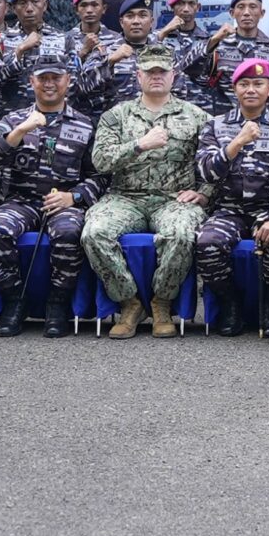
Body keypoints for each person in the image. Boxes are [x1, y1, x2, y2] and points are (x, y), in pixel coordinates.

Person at [84, 45, 212, 338]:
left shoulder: (196, 116)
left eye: (162, 71)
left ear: (173, 76)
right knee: (94, 232)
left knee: (181, 233)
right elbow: (100, 161)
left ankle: (161, 302)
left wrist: (205, 192)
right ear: (138, 76)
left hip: (173, 198)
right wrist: (139, 145)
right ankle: (129, 302)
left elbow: (213, 161)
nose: (156, 76)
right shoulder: (116, 115)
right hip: (125, 197)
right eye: (150, 71)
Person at [0, 55, 98, 338]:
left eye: (56, 78)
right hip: (21, 201)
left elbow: (101, 176)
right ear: (31, 82)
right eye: (43, 78)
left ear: (68, 81)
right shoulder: (12, 121)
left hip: (63, 202)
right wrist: (20, 131)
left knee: (69, 232)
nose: (49, 84)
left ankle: (57, 303)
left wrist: (74, 197)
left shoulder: (86, 125)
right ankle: (13, 301)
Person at [192, 57, 269, 339]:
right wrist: (236, 142)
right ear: (235, 89)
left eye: (258, 84)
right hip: (228, 209)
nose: (251, 89)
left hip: (266, 207)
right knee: (206, 243)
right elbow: (206, 172)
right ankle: (230, 302)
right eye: (244, 84)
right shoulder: (215, 126)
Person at [195, 0, 269, 106]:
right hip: (225, 116)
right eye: (241, 7)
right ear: (232, 13)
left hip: (263, 116)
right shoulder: (217, 46)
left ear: (262, 13)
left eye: (253, 7)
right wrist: (214, 39)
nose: (246, 13)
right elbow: (191, 71)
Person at [154, 0, 217, 109]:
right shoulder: (158, 37)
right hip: (167, 109)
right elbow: (143, 60)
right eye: (181, 4)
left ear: (198, 7)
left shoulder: (208, 41)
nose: (186, 9)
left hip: (200, 108)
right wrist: (164, 32)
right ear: (172, 7)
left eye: (191, 4)